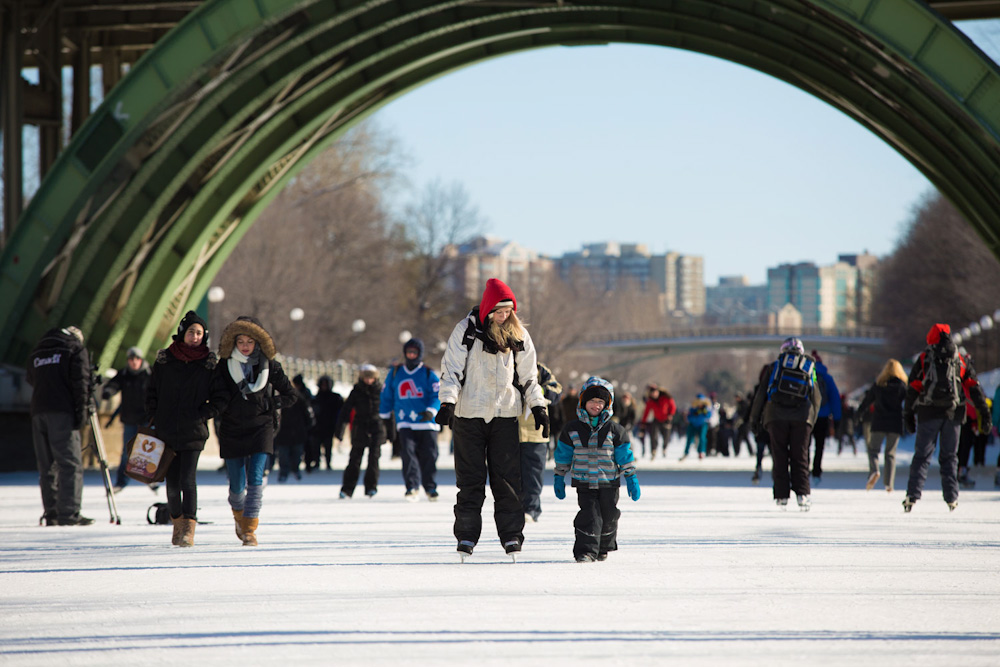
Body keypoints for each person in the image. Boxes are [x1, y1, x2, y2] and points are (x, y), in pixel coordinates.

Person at [437, 277, 547, 560]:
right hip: (469, 416)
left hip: (504, 415)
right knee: (470, 482)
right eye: (499, 310)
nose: (505, 315)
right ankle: (466, 536)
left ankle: (511, 536)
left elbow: (529, 376)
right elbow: (451, 370)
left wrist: (538, 406)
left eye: (509, 310)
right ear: (487, 309)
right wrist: (447, 403)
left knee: (507, 481)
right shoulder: (466, 331)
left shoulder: (518, 334)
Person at [214, 316, 298, 545]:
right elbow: (214, 394)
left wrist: (270, 405)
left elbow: (291, 395)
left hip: (261, 427)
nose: (245, 346)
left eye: (250, 341)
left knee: (256, 478)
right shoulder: (222, 367)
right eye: (240, 341)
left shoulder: (270, 366)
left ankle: (250, 528)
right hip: (232, 428)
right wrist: (219, 407)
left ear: (258, 343)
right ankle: (239, 518)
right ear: (234, 343)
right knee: (237, 486)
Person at [147, 311, 221, 546]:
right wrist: (154, 416)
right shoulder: (164, 360)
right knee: (172, 484)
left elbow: (221, 397)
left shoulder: (209, 364)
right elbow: (151, 392)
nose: (195, 337)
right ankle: (177, 523)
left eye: (199, 333)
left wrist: (203, 414)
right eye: (191, 332)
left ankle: (188, 528)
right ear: (182, 333)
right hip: (166, 430)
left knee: (188, 480)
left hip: (193, 431)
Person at [902, 324, 990, 512]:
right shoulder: (959, 359)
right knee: (950, 457)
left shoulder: (925, 358)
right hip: (953, 414)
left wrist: (908, 414)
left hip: (928, 413)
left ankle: (912, 495)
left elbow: (913, 387)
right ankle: (952, 498)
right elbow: (974, 387)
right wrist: (985, 413)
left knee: (922, 455)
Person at [552, 376, 639, 562]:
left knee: (609, 515)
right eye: (592, 401)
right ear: (583, 402)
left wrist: (631, 478)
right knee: (589, 515)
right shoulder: (572, 429)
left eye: (601, 402)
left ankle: (603, 547)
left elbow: (624, 455)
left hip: (609, 481)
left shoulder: (615, 430)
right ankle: (586, 550)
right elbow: (563, 455)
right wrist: (559, 476)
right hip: (584, 481)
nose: (596, 405)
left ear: (607, 405)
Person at [26, 325, 94, 526]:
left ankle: (52, 513)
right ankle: (69, 514)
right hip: (62, 413)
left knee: (46, 466)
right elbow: (80, 384)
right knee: (70, 464)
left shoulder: (37, 351)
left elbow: (30, 378)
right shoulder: (74, 349)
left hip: (38, 412)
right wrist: (81, 416)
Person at [749, 337, 822, 511]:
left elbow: (760, 395)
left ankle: (781, 496)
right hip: (802, 418)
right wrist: (812, 420)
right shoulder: (808, 366)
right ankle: (802, 495)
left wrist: (754, 419)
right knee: (800, 456)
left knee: (779, 455)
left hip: (776, 417)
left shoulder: (774, 367)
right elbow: (816, 397)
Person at [380, 338, 442, 501]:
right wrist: (384, 415)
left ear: (420, 354)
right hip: (405, 421)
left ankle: (430, 487)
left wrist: (431, 410)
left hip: (427, 423)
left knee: (429, 455)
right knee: (408, 455)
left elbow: (438, 394)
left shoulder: (428, 373)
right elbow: (386, 395)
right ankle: (412, 487)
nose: (411, 355)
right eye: (409, 352)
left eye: (415, 352)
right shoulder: (395, 373)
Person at [102, 346, 152, 493]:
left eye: (137, 359)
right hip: (130, 418)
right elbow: (114, 384)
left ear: (141, 360)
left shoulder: (149, 374)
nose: (134, 362)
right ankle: (121, 482)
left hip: (146, 418)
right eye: (131, 359)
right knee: (127, 452)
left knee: (149, 451)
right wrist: (108, 392)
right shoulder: (124, 374)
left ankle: (151, 478)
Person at [518, 362, 561, 523]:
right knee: (510, 474)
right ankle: (513, 509)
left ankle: (531, 509)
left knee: (533, 474)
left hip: (535, 432)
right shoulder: (503, 364)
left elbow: (557, 390)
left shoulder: (540, 369)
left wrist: (538, 392)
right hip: (508, 431)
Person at [336, 364, 386, 498]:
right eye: (366, 378)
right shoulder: (356, 391)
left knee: (373, 459)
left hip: (377, 427)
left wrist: (392, 434)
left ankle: (371, 487)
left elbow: (389, 413)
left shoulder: (381, 391)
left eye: (371, 378)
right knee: (355, 459)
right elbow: (345, 411)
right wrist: (339, 431)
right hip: (360, 427)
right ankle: (347, 489)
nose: (368, 381)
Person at [857, 359, 907, 492]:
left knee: (873, 450)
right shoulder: (902, 387)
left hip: (879, 422)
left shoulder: (879, 385)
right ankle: (889, 484)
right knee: (890, 453)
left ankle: (874, 471)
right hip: (895, 423)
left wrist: (859, 415)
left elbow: (866, 402)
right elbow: (910, 405)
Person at [274, 374, 314, 483]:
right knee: (283, 456)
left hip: (297, 430)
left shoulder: (299, 398)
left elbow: (307, 412)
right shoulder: (279, 398)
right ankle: (283, 473)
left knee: (297, 454)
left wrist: (309, 425)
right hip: (283, 431)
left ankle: (295, 470)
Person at [809, 351, 841, 484]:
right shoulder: (827, 378)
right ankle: (816, 471)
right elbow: (835, 399)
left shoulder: (807, 375)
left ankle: (803, 468)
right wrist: (837, 418)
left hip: (808, 416)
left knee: (805, 445)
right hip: (823, 416)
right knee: (819, 445)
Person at [310, 375, 343, 471]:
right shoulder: (316, 398)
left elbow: (340, 412)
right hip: (317, 426)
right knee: (316, 446)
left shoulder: (335, 398)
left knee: (328, 446)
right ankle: (316, 462)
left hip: (329, 426)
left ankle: (328, 463)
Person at [638, 384, 675, 459]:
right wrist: (643, 423)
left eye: (655, 392)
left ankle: (664, 448)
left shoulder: (666, 397)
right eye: (652, 393)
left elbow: (673, 406)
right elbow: (646, 412)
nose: (654, 395)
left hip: (666, 419)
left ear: (658, 392)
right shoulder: (650, 401)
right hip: (657, 419)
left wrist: (670, 415)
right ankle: (653, 450)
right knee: (653, 435)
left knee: (666, 435)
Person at [681, 394, 711, 461]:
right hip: (693, 425)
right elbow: (689, 418)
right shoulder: (693, 409)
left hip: (702, 425)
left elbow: (709, 416)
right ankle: (686, 452)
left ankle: (701, 452)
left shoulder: (706, 409)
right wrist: (695, 415)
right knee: (689, 439)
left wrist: (705, 412)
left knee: (702, 438)